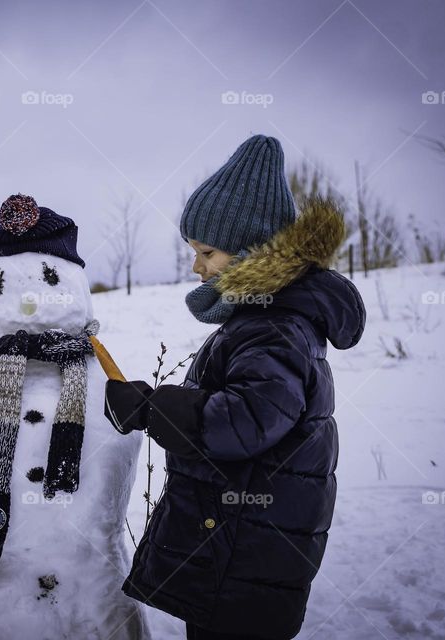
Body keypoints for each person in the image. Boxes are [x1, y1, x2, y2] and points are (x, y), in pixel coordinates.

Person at [104, 135, 367, 640]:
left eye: (206, 252)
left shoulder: (274, 327)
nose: (196, 266)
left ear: (250, 251)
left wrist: (150, 408)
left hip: (243, 558)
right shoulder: (266, 319)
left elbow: (243, 421)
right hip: (241, 548)